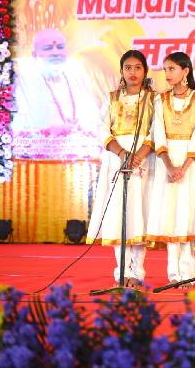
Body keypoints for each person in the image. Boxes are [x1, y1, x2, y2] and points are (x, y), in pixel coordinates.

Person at [86, 49, 155, 288]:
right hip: (117, 160)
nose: (132, 72)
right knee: (119, 215)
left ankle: (138, 272)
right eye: (128, 68)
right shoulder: (112, 98)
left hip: (143, 161)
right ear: (121, 71)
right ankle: (121, 272)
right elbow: (102, 128)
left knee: (139, 215)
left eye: (137, 68)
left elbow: (156, 131)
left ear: (145, 71)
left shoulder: (153, 100)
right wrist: (122, 153)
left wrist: (138, 156)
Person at [146, 52, 195, 288]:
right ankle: (173, 275)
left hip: (191, 164)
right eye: (165, 69)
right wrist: (170, 167)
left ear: (186, 71)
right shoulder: (160, 100)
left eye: (172, 69)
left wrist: (184, 167)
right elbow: (158, 134)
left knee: (186, 215)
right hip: (166, 163)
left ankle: (188, 273)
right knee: (170, 215)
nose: (167, 74)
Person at [12, 28, 99, 157]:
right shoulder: (25, 81)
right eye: (48, 48)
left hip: (77, 156)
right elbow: (19, 123)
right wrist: (51, 131)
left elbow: (93, 117)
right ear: (34, 55)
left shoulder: (77, 78)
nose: (55, 53)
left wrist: (79, 129)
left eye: (60, 47)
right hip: (39, 156)